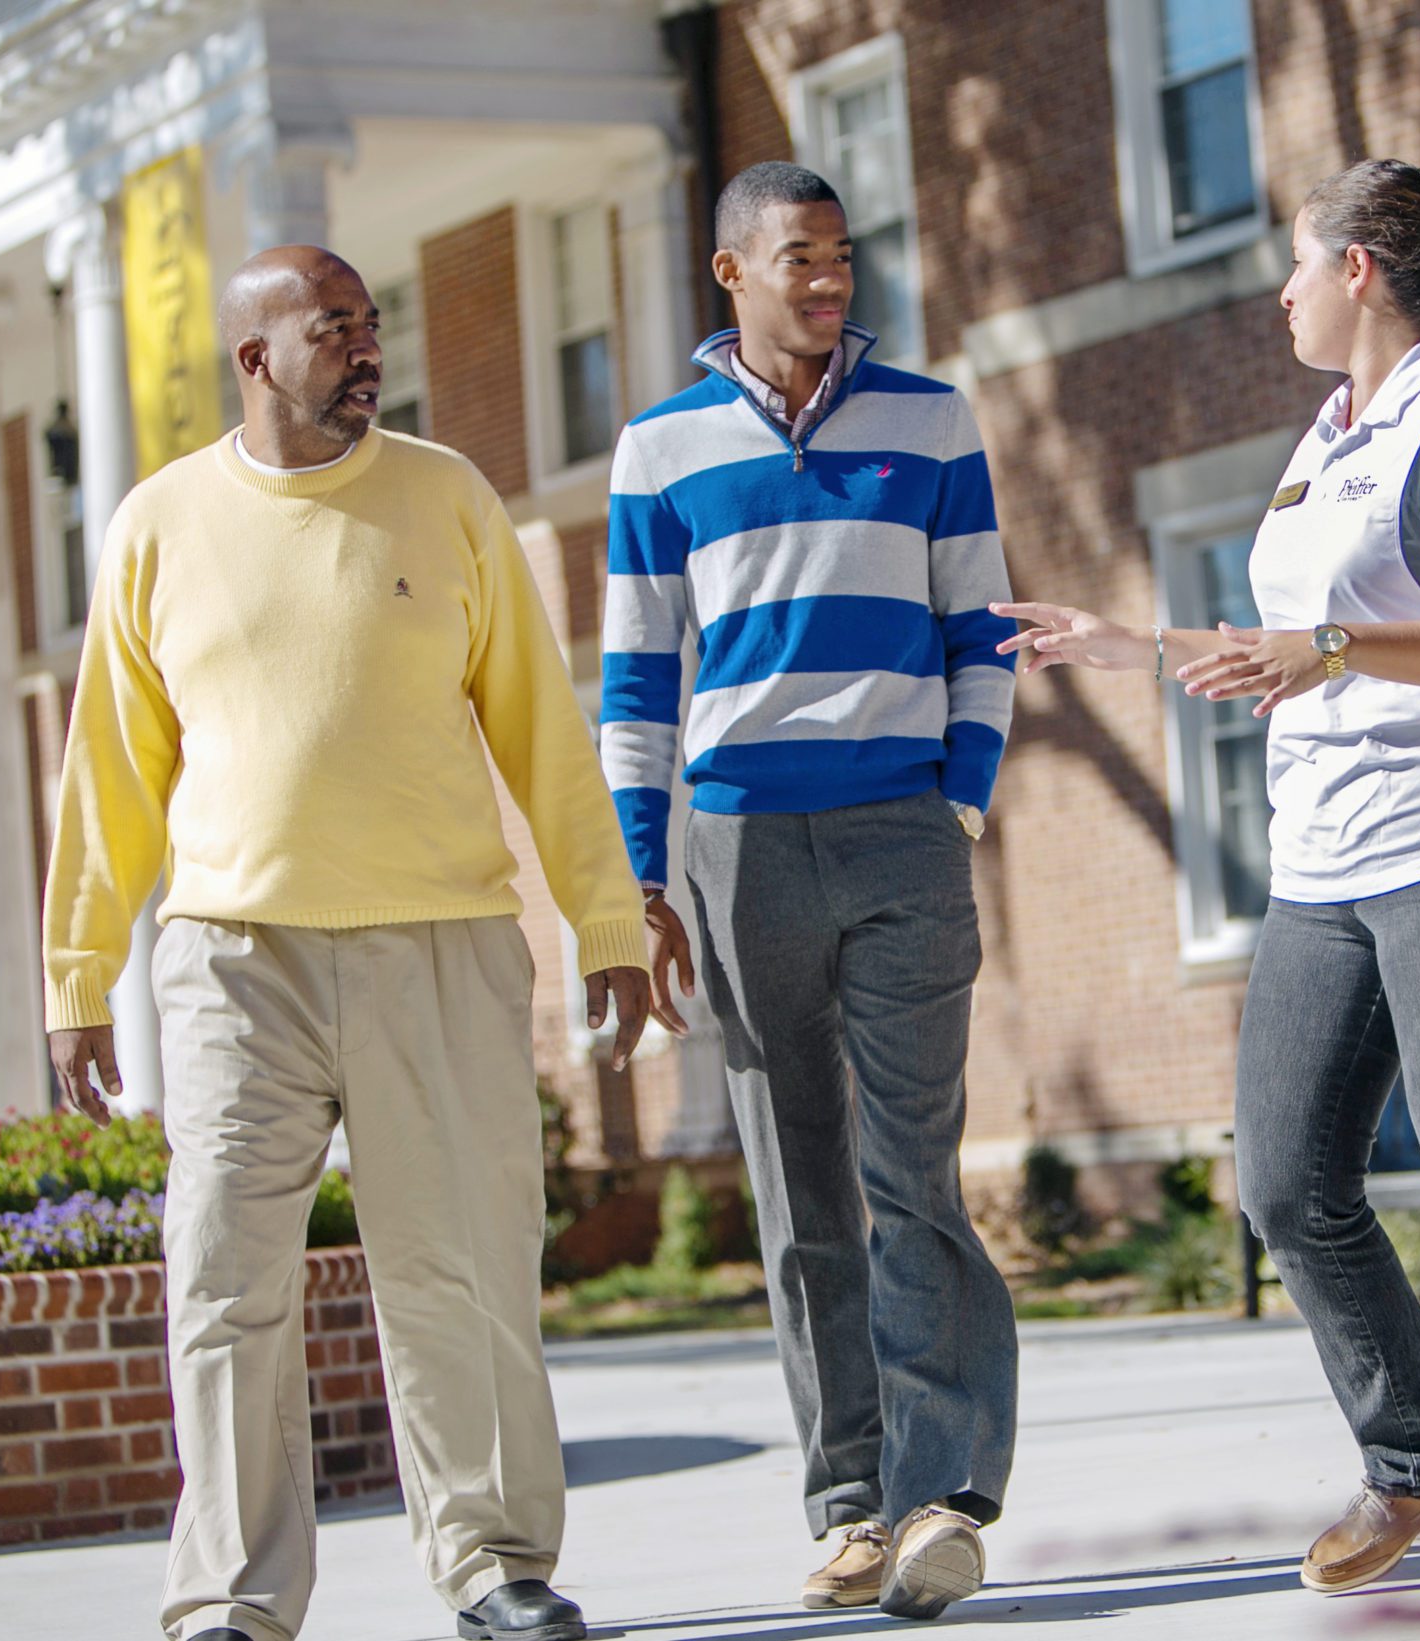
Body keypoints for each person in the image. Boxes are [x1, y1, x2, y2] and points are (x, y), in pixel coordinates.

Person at [994, 159, 1420, 1616]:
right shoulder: (1330, 435)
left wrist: (1329, 652)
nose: (1275, 289)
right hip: (1323, 858)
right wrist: (1126, 639)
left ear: (1361, 274)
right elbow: (1307, 639)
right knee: (1283, 1176)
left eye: (1295, 262)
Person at [41, 245, 657, 1641]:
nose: (368, 350)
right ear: (257, 359)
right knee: (221, 1271)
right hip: (230, 956)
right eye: (335, 330)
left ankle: (496, 1561)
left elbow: (542, 727)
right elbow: (108, 776)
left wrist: (603, 914)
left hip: (438, 936)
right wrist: (78, 974)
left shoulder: (445, 497)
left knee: (466, 1264)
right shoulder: (158, 525)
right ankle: (235, 1594)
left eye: (372, 326)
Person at [596, 161, 1019, 1622]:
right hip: (739, 845)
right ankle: (848, 1502)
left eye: (842, 255)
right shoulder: (659, 453)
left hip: (902, 828)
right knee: (801, 1185)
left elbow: (983, 625)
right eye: (800, 258)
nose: (831, 279)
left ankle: (940, 1498)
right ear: (732, 274)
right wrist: (641, 881)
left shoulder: (930, 417)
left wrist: (955, 801)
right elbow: (638, 678)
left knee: (915, 1173)